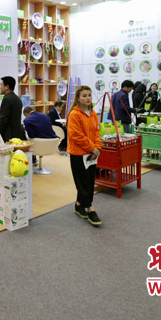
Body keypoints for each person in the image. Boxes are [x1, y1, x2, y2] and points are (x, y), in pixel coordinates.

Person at [66, 86, 102, 226]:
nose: (88, 98)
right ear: (78, 98)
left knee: (89, 181)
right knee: (82, 183)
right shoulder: (74, 114)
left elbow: (96, 132)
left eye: (89, 95)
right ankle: (90, 208)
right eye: (84, 96)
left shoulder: (92, 113)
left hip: (91, 154)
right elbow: (76, 136)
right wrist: (92, 148)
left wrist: (97, 148)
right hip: (78, 154)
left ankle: (79, 205)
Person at [0, 76, 26, 141]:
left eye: (1, 85)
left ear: (7, 87)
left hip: (8, 136)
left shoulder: (7, 99)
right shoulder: (17, 99)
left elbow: (3, 120)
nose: (0, 87)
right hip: (17, 134)